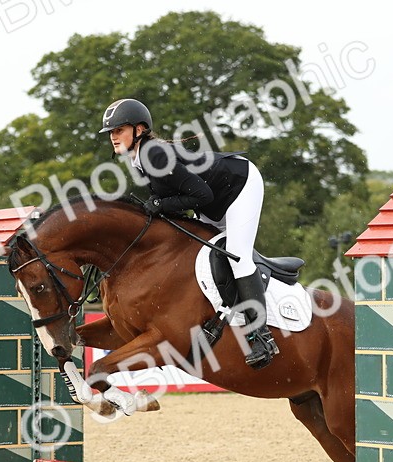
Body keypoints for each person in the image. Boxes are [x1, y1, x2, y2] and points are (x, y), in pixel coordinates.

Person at [98, 98, 279, 369]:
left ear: (139, 129)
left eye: (119, 130)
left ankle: (262, 336)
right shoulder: (139, 159)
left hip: (239, 186)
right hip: (212, 199)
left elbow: (199, 194)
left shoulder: (153, 154)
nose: (113, 137)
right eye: (111, 132)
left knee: (237, 256)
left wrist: (158, 205)